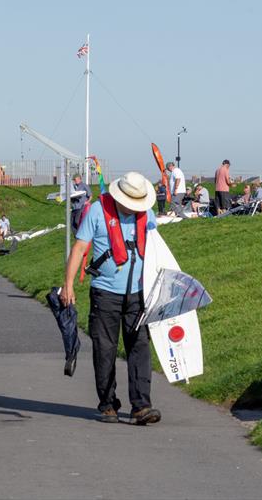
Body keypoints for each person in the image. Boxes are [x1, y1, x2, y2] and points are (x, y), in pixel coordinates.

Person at [59, 172, 161, 426]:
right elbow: (80, 248)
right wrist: (68, 284)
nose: (133, 207)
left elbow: (157, 251)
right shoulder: (96, 210)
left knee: (139, 348)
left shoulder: (146, 215)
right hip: (105, 294)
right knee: (105, 349)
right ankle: (108, 405)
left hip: (138, 294)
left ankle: (141, 406)